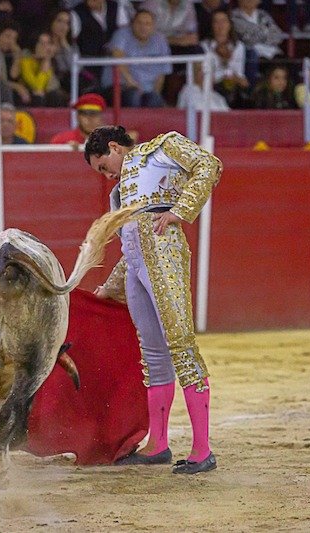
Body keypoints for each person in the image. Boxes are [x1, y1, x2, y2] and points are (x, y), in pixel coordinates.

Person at [84, 125, 220, 474]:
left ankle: (202, 450)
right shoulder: (119, 194)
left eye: (104, 166)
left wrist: (180, 210)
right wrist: (110, 288)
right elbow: (129, 246)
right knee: (153, 354)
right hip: (136, 268)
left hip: (165, 253)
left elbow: (209, 165)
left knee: (181, 345)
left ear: (114, 147)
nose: (107, 175)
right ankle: (158, 444)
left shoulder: (162, 147)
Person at [103, 10, 171, 107]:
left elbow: (161, 74)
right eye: (139, 23)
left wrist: (156, 93)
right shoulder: (122, 34)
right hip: (121, 86)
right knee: (133, 96)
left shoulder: (160, 40)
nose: (143, 27)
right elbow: (118, 57)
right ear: (132, 24)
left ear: (153, 27)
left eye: (147, 24)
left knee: (155, 100)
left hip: (147, 90)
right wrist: (132, 83)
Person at [200, 10, 249, 109]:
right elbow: (206, 75)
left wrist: (226, 64)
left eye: (223, 21)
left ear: (229, 25)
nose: (220, 25)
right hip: (213, 85)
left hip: (233, 83)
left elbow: (239, 74)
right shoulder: (204, 46)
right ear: (212, 25)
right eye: (216, 22)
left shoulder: (238, 46)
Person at [19, 31, 68, 107]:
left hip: (48, 95)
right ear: (35, 45)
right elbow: (37, 87)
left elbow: (53, 87)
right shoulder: (26, 60)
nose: (46, 47)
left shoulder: (52, 60)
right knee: (38, 97)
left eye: (48, 43)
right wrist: (46, 61)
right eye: (42, 43)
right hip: (30, 95)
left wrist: (47, 59)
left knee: (55, 96)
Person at [0, 19, 32, 106]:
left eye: (14, 39)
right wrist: (17, 86)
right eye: (7, 36)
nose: (11, 42)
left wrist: (17, 55)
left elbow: (13, 75)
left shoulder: (10, 52)